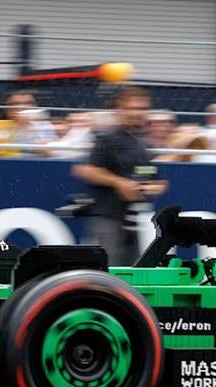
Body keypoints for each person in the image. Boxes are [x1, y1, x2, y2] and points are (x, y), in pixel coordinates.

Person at [72, 86, 169, 266]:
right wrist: (119, 183)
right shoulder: (105, 137)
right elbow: (84, 170)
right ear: (121, 107)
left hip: (132, 225)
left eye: (142, 108)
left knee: (132, 276)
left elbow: (158, 181)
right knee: (111, 276)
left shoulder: (143, 142)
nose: (138, 113)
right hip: (107, 221)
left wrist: (149, 188)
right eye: (133, 108)